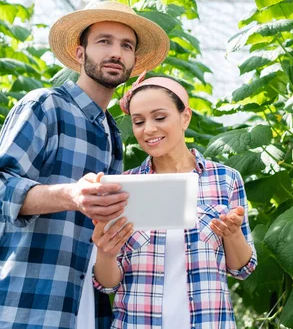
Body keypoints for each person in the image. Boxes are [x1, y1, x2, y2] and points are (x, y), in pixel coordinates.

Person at [0, 1, 170, 329]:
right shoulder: (45, 106)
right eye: (104, 42)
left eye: (126, 46)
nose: (116, 52)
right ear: (80, 53)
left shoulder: (111, 132)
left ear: (134, 62)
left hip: (79, 304)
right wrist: (71, 195)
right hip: (23, 303)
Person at [90, 75, 258, 328]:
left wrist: (232, 234)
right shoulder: (124, 186)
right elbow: (108, 284)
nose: (148, 129)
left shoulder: (225, 179)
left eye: (159, 118)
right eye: (138, 121)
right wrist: (105, 252)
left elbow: (242, 269)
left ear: (185, 117)